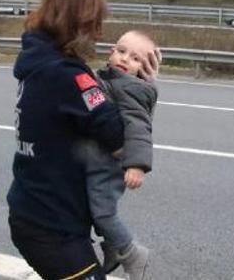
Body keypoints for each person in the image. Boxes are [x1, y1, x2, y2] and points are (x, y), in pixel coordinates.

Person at [7, 0, 159, 280]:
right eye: (95, 24)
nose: (99, 34)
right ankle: (128, 251)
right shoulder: (69, 76)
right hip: (53, 227)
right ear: (78, 23)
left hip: (34, 210)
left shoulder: (39, 62)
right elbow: (120, 140)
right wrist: (143, 88)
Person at [82, 30, 159, 280]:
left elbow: (139, 127)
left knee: (103, 213)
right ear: (111, 52)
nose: (125, 59)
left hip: (110, 167)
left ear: (144, 68)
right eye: (122, 51)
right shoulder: (109, 78)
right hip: (95, 162)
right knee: (91, 208)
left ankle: (132, 254)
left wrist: (136, 165)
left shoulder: (130, 88)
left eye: (135, 59)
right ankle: (113, 245)